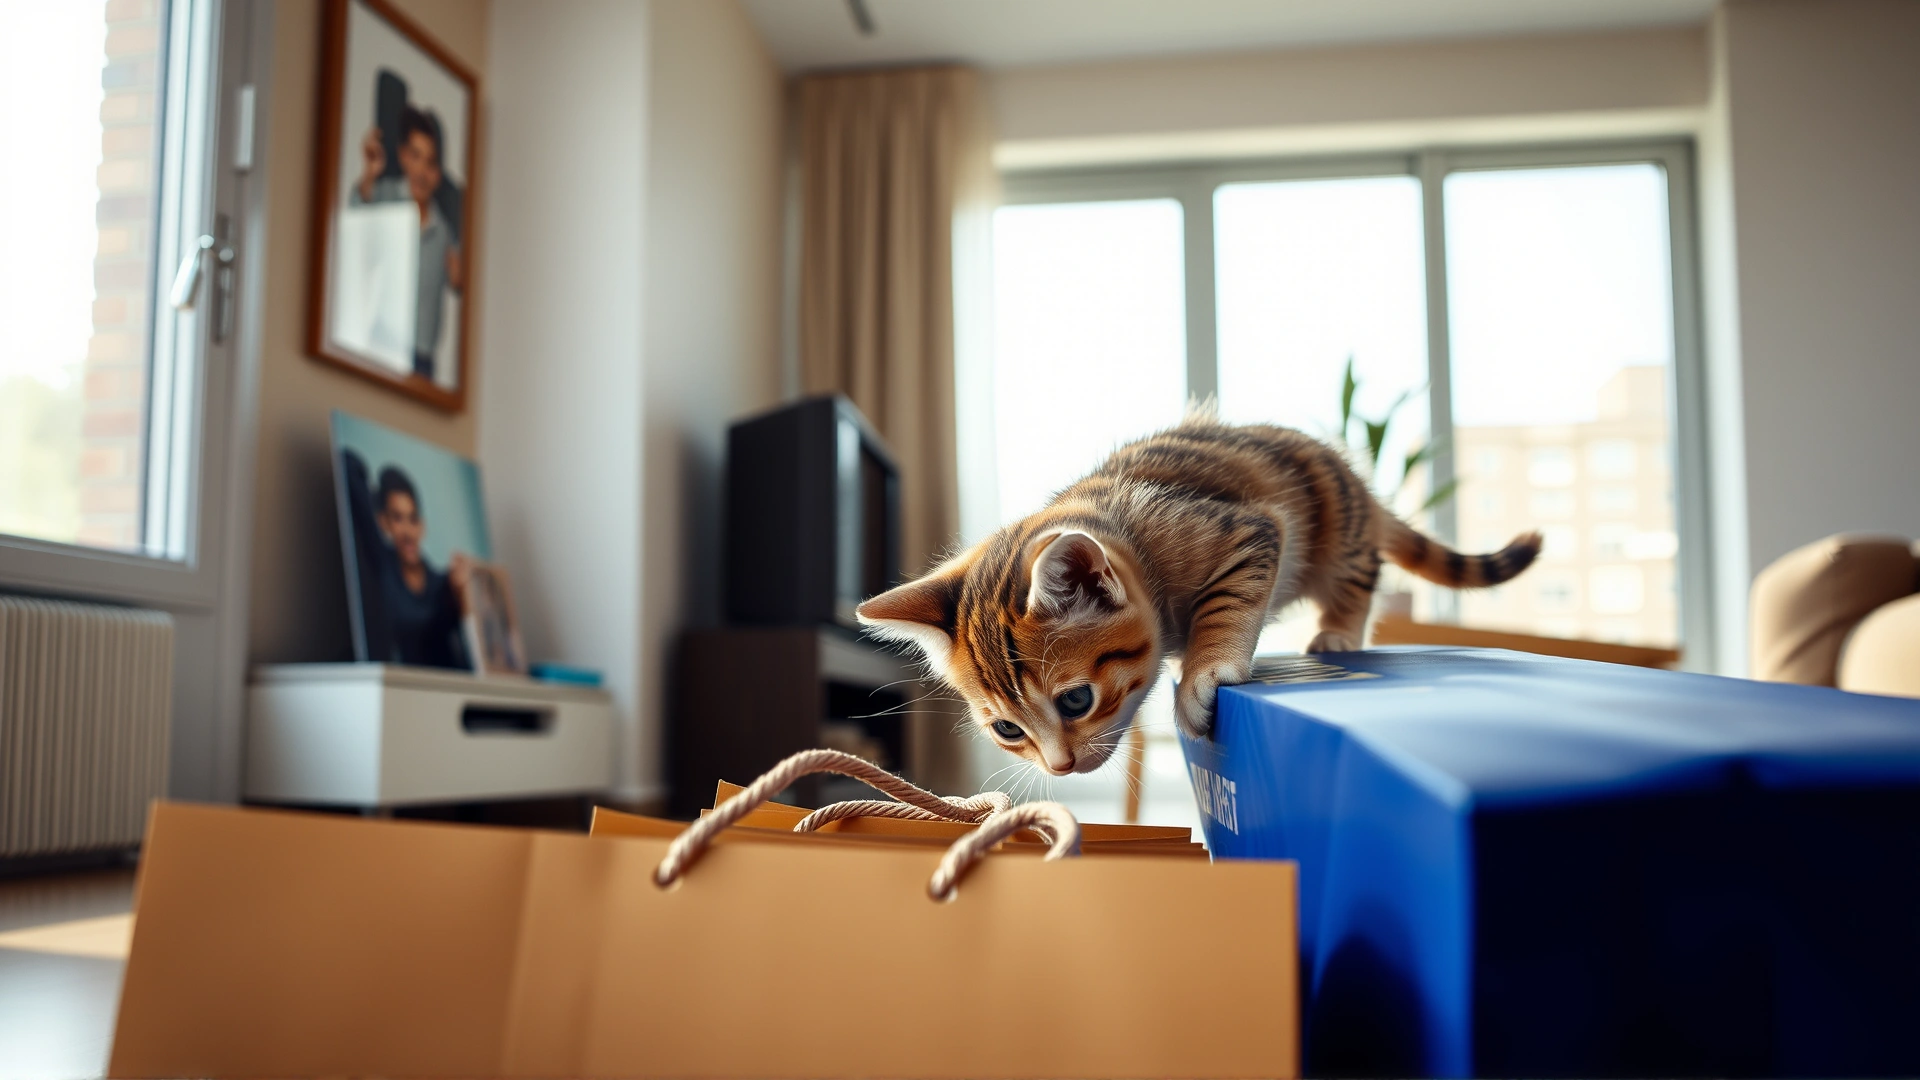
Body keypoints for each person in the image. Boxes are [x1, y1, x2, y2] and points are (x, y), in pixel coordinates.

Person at [351, 104, 463, 380]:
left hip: (423, 357)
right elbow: (356, 219)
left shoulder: (443, 229)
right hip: (381, 343)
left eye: (431, 162)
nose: (422, 171)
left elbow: (459, 282)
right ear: (402, 156)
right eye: (415, 156)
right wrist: (369, 174)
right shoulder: (385, 195)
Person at [370, 466, 470, 669]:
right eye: (397, 519)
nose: (408, 532)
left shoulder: (443, 584)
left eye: (413, 519)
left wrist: (463, 598)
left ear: (422, 526)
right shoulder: (381, 573)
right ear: (384, 522)